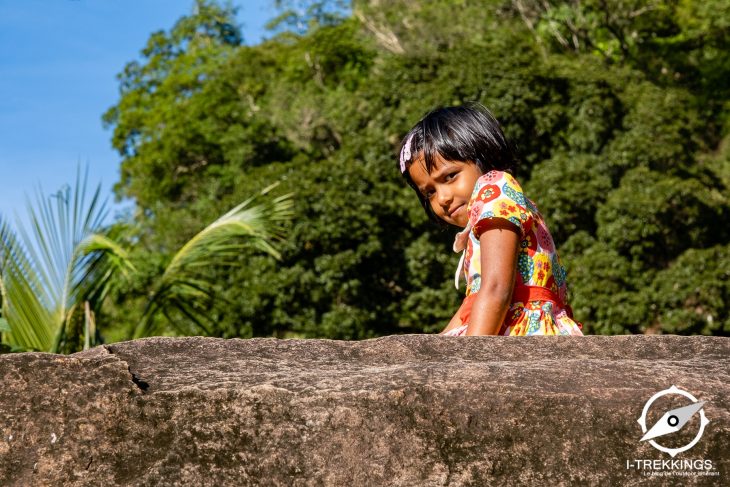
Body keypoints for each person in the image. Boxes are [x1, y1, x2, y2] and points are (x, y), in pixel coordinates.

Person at [397, 103, 583, 336]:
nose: (442, 198)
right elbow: (470, 307)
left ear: (484, 156)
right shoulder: (485, 215)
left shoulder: (494, 188)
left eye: (450, 176)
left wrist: (466, 361)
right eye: (429, 192)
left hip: (523, 336)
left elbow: (496, 289)